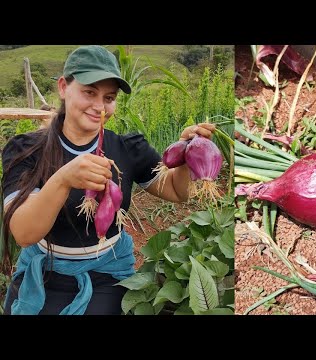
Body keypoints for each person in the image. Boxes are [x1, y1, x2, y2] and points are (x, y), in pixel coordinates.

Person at [1, 45, 215, 315]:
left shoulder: (127, 149)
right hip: (46, 271)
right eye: (89, 92)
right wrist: (64, 179)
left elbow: (176, 190)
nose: (100, 107)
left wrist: (185, 155)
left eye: (109, 97)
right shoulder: (26, 150)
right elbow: (23, 233)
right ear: (63, 87)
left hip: (108, 272)